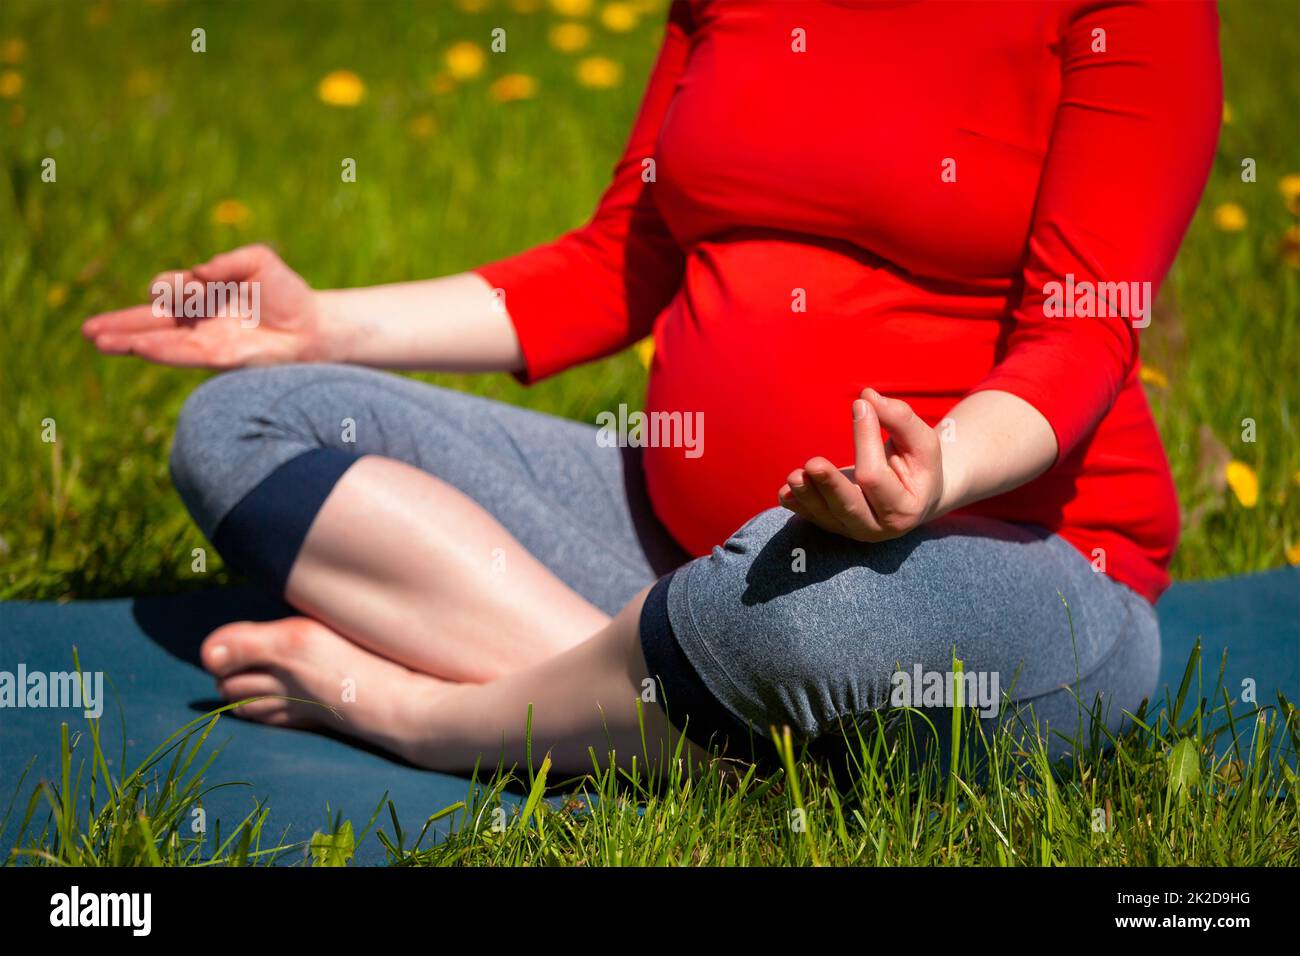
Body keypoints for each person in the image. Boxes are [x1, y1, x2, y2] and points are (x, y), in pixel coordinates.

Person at [81, 0, 1222, 775]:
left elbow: (1082, 330)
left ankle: (434, 719)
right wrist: (324, 322)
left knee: (817, 610)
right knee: (246, 420)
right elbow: (617, 261)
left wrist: (939, 473)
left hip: (1007, 557)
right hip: (672, 550)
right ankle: (646, 700)